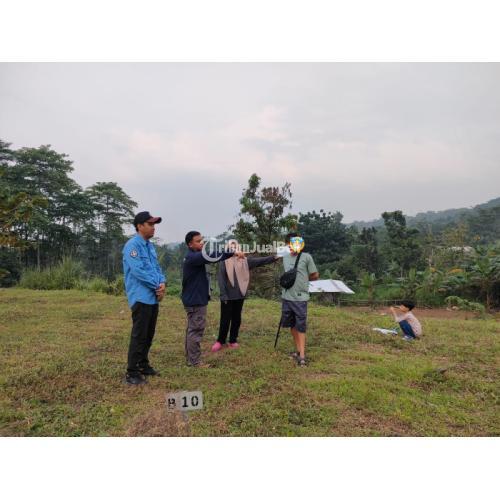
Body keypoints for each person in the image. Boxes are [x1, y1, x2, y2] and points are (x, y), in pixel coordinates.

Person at [182, 232, 245, 367]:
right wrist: (233, 252)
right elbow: (213, 255)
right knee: (196, 330)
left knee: (192, 329)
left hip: (194, 298)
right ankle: (194, 361)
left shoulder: (193, 256)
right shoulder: (194, 257)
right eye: (198, 241)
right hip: (196, 300)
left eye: (202, 240)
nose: (202, 243)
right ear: (190, 244)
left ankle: (191, 357)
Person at [211, 240, 281, 352]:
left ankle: (233, 340)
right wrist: (223, 295)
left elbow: (261, 261)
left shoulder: (245, 261)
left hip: (240, 295)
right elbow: (221, 279)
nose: (233, 249)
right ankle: (220, 340)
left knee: (236, 318)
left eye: (235, 247)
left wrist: (275, 257)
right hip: (227, 296)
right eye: (231, 247)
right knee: (225, 319)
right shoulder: (223, 261)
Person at [122, 211, 166, 385]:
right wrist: (157, 285)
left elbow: (156, 267)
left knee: (148, 334)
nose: (153, 227)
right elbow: (138, 271)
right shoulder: (132, 245)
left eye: (154, 224)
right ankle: (132, 372)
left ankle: (143, 364)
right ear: (140, 226)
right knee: (139, 335)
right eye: (150, 224)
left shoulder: (149, 246)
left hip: (152, 297)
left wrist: (162, 283)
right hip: (141, 297)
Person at [280, 233, 319, 367]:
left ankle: (302, 356)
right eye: (289, 244)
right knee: (292, 325)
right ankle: (297, 350)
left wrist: (304, 279)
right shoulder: (285, 257)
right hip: (287, 297)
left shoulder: (306, 257)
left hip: (300, 299)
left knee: (300, 326)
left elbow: (315, 275)